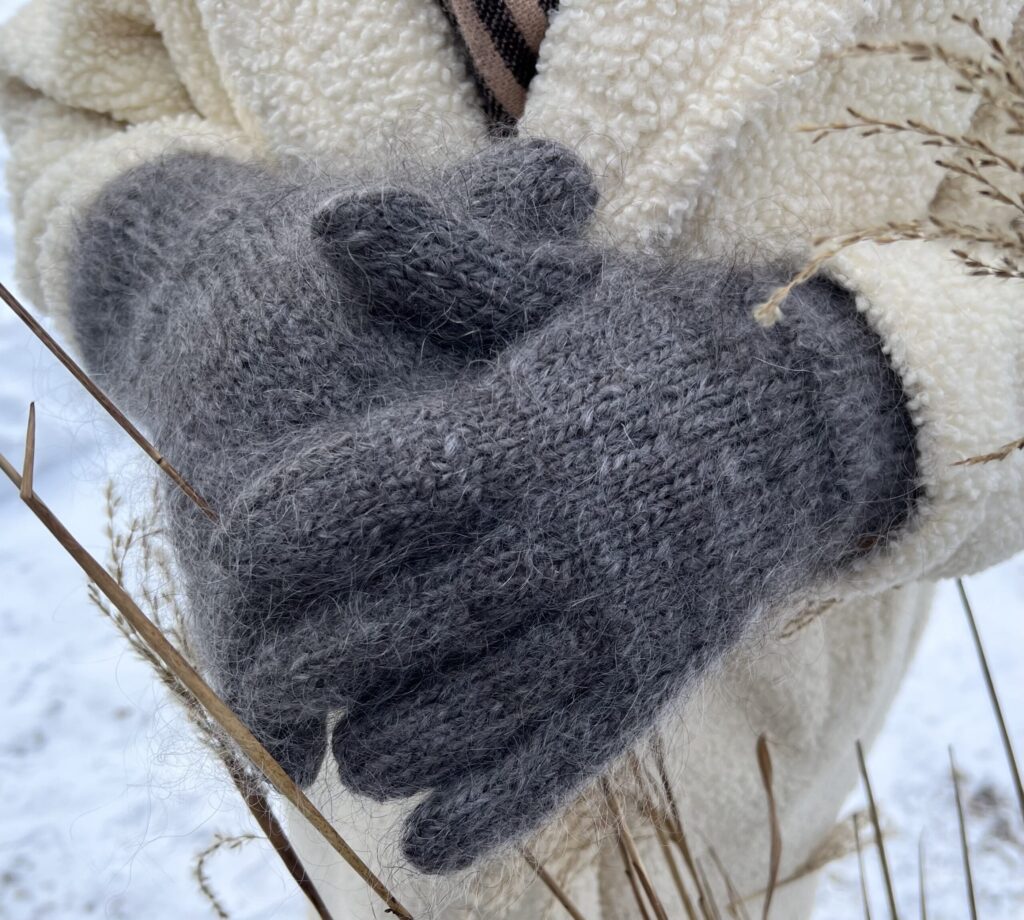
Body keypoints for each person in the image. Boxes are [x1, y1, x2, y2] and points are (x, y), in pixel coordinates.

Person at [1, 1, 1022, 917]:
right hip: (357, 734)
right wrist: (189, 268)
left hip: (758, 751)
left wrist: (821, 404)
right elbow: (73, 87)